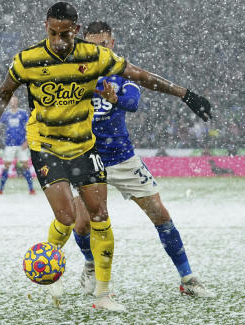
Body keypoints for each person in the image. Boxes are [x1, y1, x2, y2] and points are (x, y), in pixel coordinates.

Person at [0, 2, 213, 312]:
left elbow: (136, 86)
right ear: (46, 27)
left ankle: (154, 285)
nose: (59, 41)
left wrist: (184, 93)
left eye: (67, 35)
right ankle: (75, 269)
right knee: (73, 221)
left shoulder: (101, 64)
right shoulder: (31, 61)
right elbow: (4, 93)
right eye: (53, 33)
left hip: (106, 152)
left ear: (85, 34)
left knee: (131, 215)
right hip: (61, 148)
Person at [70, 21, 214, 298]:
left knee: (159, 214)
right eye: (92, 44)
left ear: (112, 44)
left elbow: (133, 103)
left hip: (121, 157)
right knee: (82, 224)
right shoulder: (74, 74)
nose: (98, 49)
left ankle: (188, 278)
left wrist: (115, 100)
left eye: (103, 44)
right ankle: (90, 265)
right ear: (83, 44)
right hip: (87, 157)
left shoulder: (121, 73)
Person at [0, 95, 35, 195]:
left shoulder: (23, 113)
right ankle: (0, 189)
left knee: (26, 165)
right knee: (6, 166)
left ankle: (31, 189)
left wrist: (27, 141)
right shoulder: (6, 114)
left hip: (22, 144)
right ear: (9, 102)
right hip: (9, 144)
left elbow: (29, 127)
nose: (13, 102)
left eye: (15, 100)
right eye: (11, 101)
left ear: (17, 102)